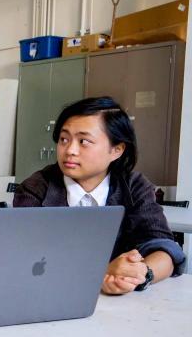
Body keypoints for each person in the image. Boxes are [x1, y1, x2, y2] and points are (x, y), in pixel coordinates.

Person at [14, 96, 185, 295]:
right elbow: (24, 257)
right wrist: (101, 273)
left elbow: (165, 249)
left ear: (117, 150)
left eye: (84, 141)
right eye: (64, 139)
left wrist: (140, 273)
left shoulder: (134, 186)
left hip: (120, 308)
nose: (70, 150)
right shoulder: (36, 188)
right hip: (50, 297)